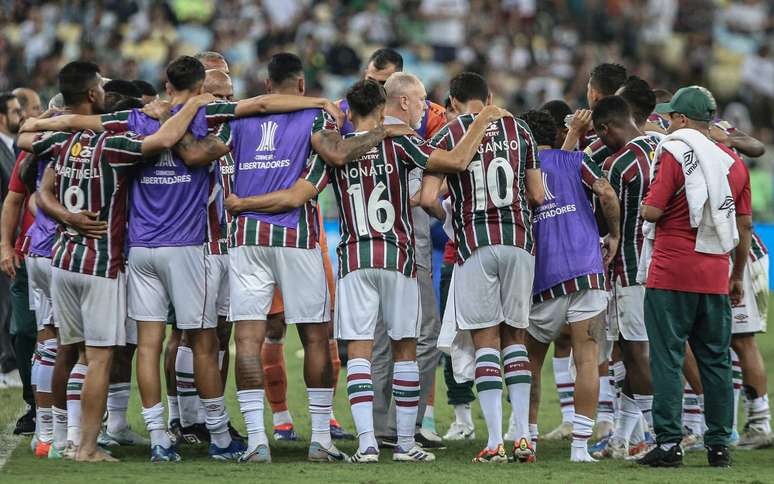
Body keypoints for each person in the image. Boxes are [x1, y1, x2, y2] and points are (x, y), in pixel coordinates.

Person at [226, 78, 506, 463]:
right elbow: (456, 161)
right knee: (405, 349)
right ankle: (405, 445)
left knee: (359, 351)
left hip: (354, 260)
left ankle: (367, 445)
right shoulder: (402, 141)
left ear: (348, 110)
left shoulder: (334, 150)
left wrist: (243, 203)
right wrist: (484, 118)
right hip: (398, 258)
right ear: (382, 106)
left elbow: (297, 196)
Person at [19, 92, 215, 462]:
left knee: (64, 348)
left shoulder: (63, 142)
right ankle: (87, 446)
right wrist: (187, 105)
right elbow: (166, 140)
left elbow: (35, 182)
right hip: (99, 262)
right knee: (98, 357)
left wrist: (66, 215)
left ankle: (59, 437)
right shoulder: (117, 147)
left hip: (59, 255)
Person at [210, 52, 381, 463]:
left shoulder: (238, 120)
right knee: (316, 336)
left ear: (268, 87)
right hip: (296, 237)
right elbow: (337, 157)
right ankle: (320, 439)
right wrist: (386, 133)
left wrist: (242, 203)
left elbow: (215, 159)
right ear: (302, 87)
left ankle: (255, 442)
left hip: (246, 238)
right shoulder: (318, 119)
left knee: (247, 340)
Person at [421, 72, 545, 463]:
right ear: (489, 96)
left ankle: (494, 442)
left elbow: (427, 199)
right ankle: (524, 436)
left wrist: (450, 217)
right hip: (520, 242)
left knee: (485, 341)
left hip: (476, 243)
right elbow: (538, 194)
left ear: (453, 102)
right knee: (516, 338)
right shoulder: (520, 129)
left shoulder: (449, 132)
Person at [638, 86, 752, 468]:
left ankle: (669, 444)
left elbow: (653, 211)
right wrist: (737, 275)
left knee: (668, 359)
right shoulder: (733, 164)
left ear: (683, 120)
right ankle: (719, 445)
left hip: (672, 270)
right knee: (717, 360)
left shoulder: (673, 152)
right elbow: (744, 224)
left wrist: (639, 203)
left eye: (671, 117)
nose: (668, 123)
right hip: (716, 271)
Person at [520, 109, 621, 462]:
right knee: (588, 358)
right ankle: (580, 446)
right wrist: (614, 235)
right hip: (587, 271)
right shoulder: (578, 160)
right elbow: (606, 192)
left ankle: (527, 439)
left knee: (528, 361)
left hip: (542, 278)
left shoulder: (520, 171)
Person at [591, 93, 660, 459]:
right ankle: (622, 435)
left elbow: (606, 208)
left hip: (631, 267)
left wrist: (611, 234)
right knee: (637, 350)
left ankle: (653, 434)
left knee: (634, 351)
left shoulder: (620, 164)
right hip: (664, 265)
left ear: (606, 129)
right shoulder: (664, 145)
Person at [0, 92, 23, 390]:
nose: (21, 116)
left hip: (13, 238)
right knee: (3, 302)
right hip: (4, 238)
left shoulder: (11, 146)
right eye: (15, 111)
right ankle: (6, 363)